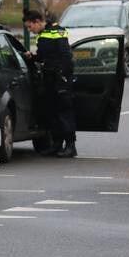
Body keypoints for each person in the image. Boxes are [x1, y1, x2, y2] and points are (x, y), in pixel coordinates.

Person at [22, 9, 77, 158]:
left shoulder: (57, 31)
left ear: (38, 22)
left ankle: (71, 146)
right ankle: (57, 144)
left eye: (30, 26)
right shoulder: (42, 35)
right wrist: (32, 57)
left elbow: (66, 55)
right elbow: (43, 57)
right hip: (49, 79)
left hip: (60, 79)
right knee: (53, 113)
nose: (29, 30)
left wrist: (62, 76)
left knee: (64, 112)